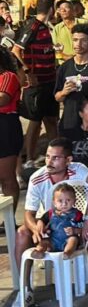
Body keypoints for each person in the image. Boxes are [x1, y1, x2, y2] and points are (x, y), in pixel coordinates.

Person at [13, 138, 88, 307]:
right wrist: (36, 227)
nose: (49, 161)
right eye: (48, 156)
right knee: (22, 232)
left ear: (68, 160)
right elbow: (28, 213)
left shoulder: (78, 169)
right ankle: (25, 290)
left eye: (56, 158)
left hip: (75, 226)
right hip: (49, 228)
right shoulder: (37, 178)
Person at [13, 0, 59, 174]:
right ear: (51, 9)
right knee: (35, 120)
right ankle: (29, 159)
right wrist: (27, 72)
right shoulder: (32, 26)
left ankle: (56, 155)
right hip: (38, 83)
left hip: (50, 81)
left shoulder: (45, 27)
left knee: (51, 120)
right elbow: (16, 50)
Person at [30, 182, 83, 258]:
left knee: (73, 240)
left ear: (74, 201)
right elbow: (41, 220)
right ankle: (39, 251)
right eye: (60, 201)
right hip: (53, 240)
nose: (64, 204)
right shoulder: (50, 213)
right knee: (44, 241)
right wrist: (41, 224)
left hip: (68, 240)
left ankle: (67, 253)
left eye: (68, 200)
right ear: (54, 202)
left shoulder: (77, 214)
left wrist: (75, 230)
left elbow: (83, 229)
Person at [0, 47, 23, 209]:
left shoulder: (8, 76)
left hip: (5, 127)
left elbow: (3, 99)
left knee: (6, 176)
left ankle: (8, 218)